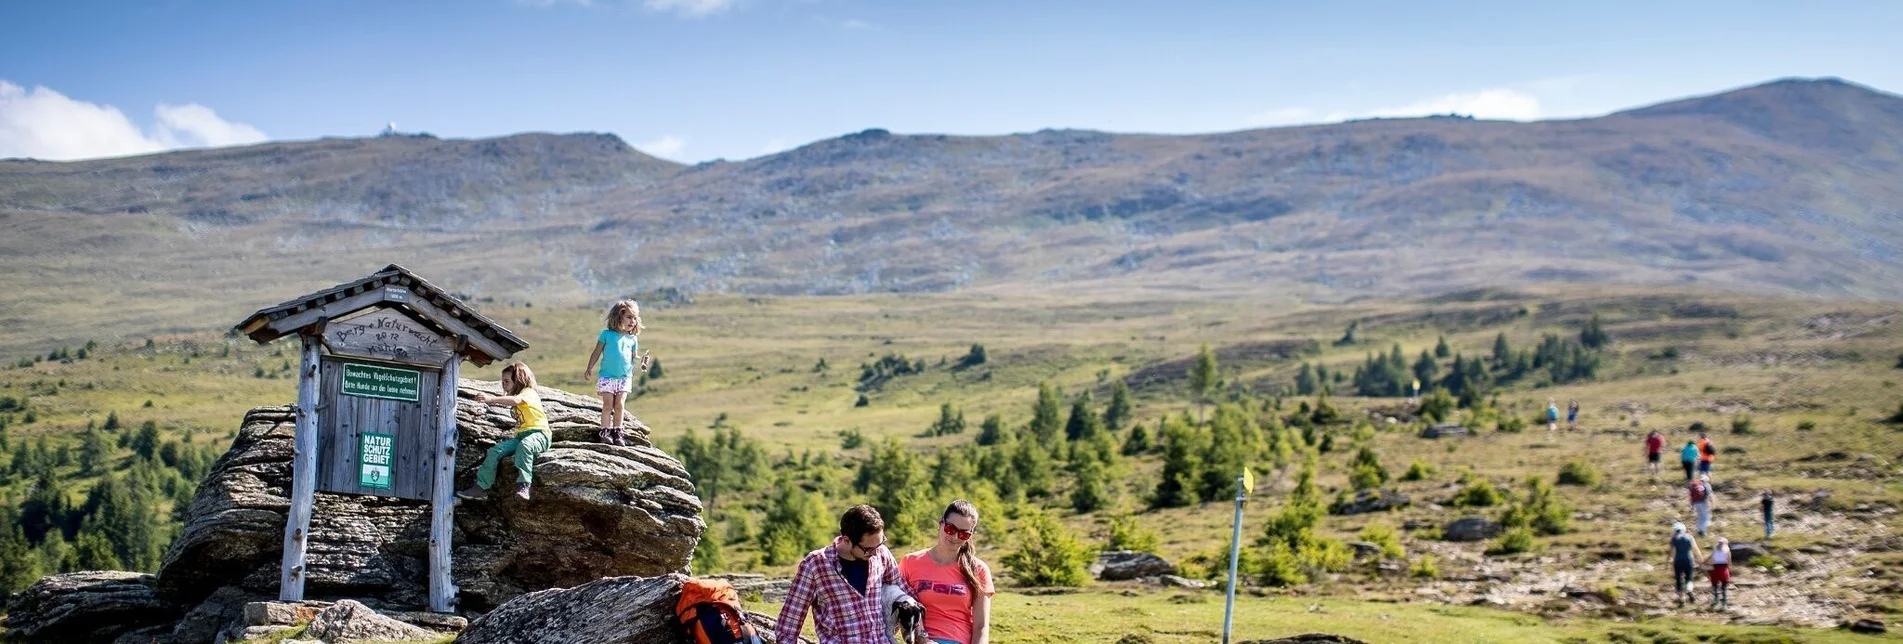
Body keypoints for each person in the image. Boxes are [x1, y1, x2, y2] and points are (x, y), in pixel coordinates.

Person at [777, 505, 912, 644]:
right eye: (868, 549)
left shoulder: (881, 553)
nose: (876, 552)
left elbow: (904, 591)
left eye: (881, 542)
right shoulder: (815, 564)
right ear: (846, 540)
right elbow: (789, 625)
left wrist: (922, 634)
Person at [900, 501, 994, 644]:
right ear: (940, 524)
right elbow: (901, 610)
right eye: (950, 528)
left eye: (963, 534)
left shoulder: (979, 569)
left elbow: (981, 627)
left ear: (970, 536)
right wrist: (921, 638)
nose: (955, 537)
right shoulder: (910, 562)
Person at [457, 362, 549, 501]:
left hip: (540, 434)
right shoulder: (519, 395)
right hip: (521, 436)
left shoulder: (529, 392)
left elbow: (516, 400)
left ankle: (524, 484)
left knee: (526, 446)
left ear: (518, 379)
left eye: (507, 381)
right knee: (495, 451)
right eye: (503, 382)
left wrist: (491, 399)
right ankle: (482, 487)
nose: (504, 385)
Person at [582, 300, 651, 446]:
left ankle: (617, 432)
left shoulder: (632, 339)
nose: (632, 321)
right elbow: (596, 352)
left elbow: (634, 357)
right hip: (607, 377)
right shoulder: (606, 335)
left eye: (634, 318)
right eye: (629, 317)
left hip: (624, 378)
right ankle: (605, 431)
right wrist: (589, 367)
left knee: (619, 404)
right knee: (608, 405)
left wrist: (643, 361)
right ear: (618, 317)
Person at [1670, 522, 1703, 607]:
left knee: (1679, 580)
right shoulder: (1690, 537)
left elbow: (1672, 552)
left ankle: (1682, 600)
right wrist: (1700, 559)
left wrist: (1669, 563)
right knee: (1689, 578)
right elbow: (1696, 549)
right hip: (1688, 560)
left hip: (1678, 561)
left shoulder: (1674, 539)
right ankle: (1689, 589)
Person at [1709, 537, 1733, 610]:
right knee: (1724, 588)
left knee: (1715, 586)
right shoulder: (1727, 550)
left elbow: (1712, 559)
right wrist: (1730, 572)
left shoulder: (1715, 549)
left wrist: (1703, 563)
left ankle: (1716, 599)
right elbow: (1729, 562)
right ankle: (1724, 604)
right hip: (1724, 570)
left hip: (1715, 570)